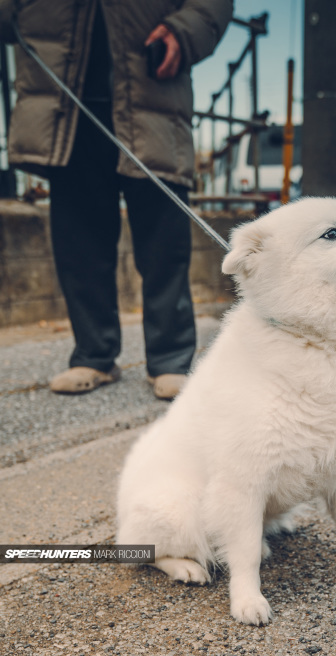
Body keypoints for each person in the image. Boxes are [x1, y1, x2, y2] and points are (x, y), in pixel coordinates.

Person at [0, 0, 233, 399]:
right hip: (61, 106)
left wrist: (184, 29)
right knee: (79, 243)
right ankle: (93, 354)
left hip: (153, 102)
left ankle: (171, 359)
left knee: (165, 245)